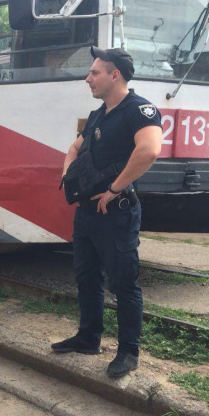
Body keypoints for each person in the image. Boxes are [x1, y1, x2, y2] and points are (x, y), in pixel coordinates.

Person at [52, 47, 162, 379]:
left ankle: (128, 352)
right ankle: (88, 338)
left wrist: (115, 189)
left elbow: (150, 149)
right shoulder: (99, 113)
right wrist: (67, 174)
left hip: (117, 213)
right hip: (86, 214)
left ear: (115, 75)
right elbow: (74, 147)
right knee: (86, 277)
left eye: (94, 73)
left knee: (124, 284)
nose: (88, 78)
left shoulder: (139, 109)